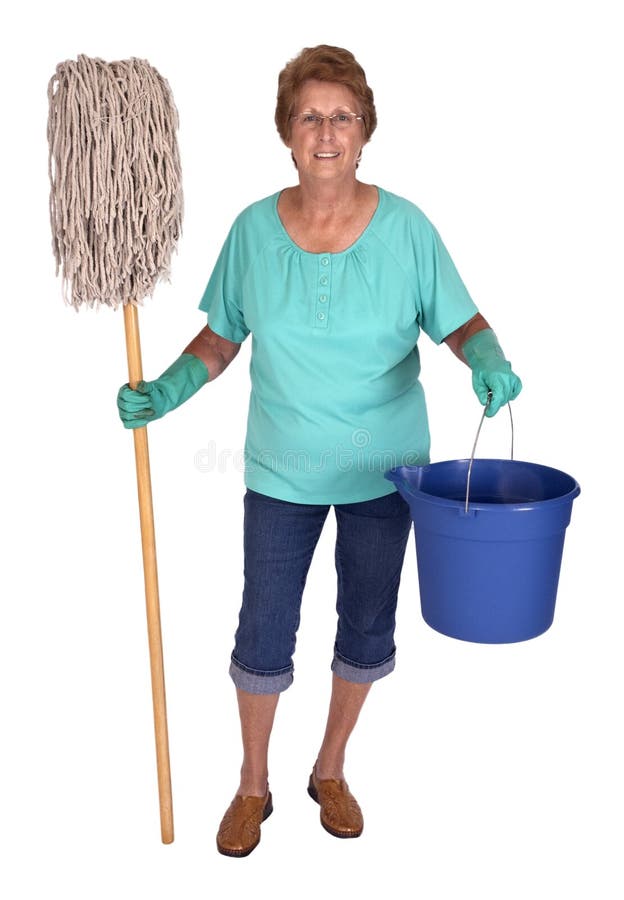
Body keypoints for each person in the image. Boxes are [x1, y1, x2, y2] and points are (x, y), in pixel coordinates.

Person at [117, 44, 522, 857]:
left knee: (366, 625)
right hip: (281, 471)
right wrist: (165, 389)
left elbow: (461, 323)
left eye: (342, 116)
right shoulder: (251, 232)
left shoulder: (408, 228)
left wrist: (488, 359)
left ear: (365, 130)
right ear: (287, 132)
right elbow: (221, 340)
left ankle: (329, 769)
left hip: (387, 473)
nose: (326, 131)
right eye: (310, 116)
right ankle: (253, 784)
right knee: (263, 628)